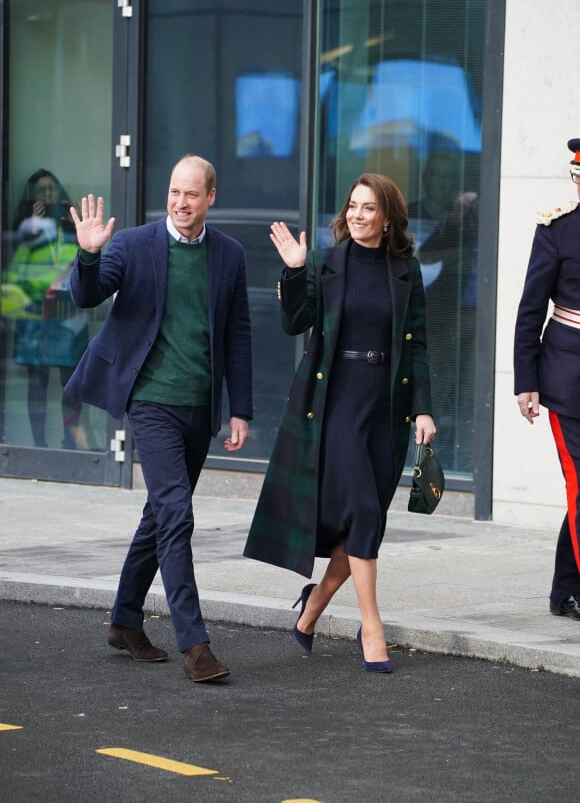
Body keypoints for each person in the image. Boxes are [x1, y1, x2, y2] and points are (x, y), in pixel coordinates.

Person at [65, 154, 253, 681]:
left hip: (199, 408)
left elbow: (238, 333)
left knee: (160, 515)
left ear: (211, 197)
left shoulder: (229, 256)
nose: (181, 202)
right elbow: (87, 295)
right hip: (151, 403)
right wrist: (87, 256)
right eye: (174, 192)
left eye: (192, 194)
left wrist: (241, 409)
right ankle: (196, 645)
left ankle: (125, 621)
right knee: (177, 516)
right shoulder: (134, 244)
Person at [244, 173, 436, 672]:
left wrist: (424, 408)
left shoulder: (405, 270)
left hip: (385, 407)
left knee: (363, 519)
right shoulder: (328, 263)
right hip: (337, 400)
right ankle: (372, 628)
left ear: (388, 217)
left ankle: (313, 606)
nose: (357, 215)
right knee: (366, 513)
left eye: (368, 208)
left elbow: (417, 345)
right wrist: (292, 271)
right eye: (352, 206)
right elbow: (295, 321)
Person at [514, 136, 580, 622]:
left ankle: (564, 589)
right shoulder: (558, 229)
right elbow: (531, 309)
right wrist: (526, 380)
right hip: (568, 380)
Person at [3, 169, 87, 448]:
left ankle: (71, 443)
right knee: (36, 386)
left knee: (72, 385)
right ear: (32, 197)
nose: (48, 195)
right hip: (35, 318)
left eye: (52, 189)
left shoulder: (69, 224)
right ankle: (39, 445)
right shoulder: (24, 229)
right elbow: (12, 266)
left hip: (68, 317)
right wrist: (31, 229)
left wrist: (73, 226)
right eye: (42, 191)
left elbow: (88, 257)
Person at [407, 152, 478, 469]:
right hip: (424, 323)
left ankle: (458, 460)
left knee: (463, 398)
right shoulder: (408, 216)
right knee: (427, 397)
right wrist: (456, 255)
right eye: (433, 173)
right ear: (425, 177)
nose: (438, 181)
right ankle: (415, 465)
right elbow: (418, 261)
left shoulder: (467, 220)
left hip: (465, 320)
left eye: (447, 175)